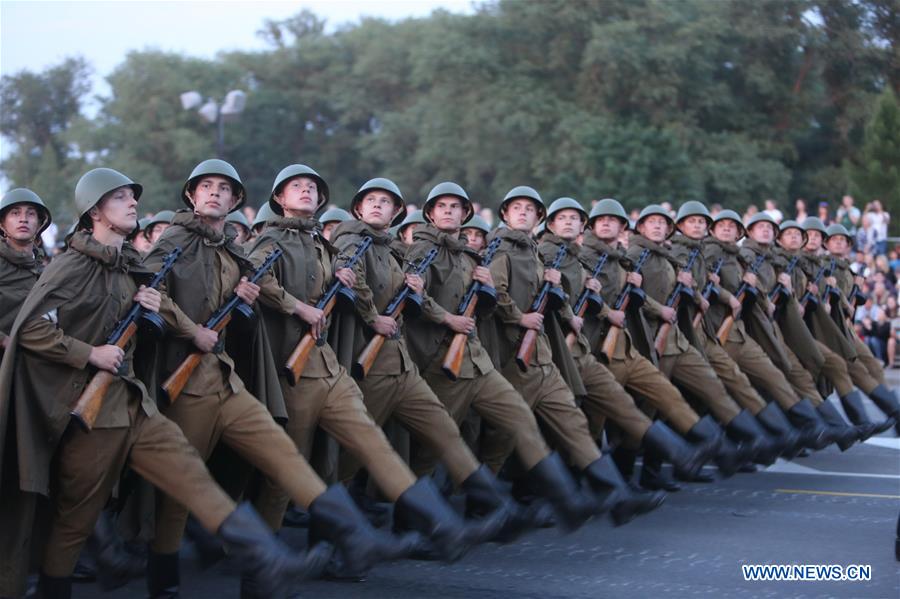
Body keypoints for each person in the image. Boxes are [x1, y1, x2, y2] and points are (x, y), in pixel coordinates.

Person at [0, 168, 331, 599]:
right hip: (89, 413)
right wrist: (90, 353)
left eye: (131, 197)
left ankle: (266, 557)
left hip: (133, 401)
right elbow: (32, 330)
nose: (133, 203)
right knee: (74, 520)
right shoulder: (68, 266)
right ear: (95, 211)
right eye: (120, 198)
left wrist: (152, 308)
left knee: (190, 472)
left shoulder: (130, 266)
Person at [143, 159, 416, 594]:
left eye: (224, 189)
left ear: (236, 201)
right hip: (188, 374)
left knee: (283, 461)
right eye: (206, 187)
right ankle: (165, 582)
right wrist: (194, 327)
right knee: (186, 482)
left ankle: (302, 556)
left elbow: (253, 286)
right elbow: (148, 289)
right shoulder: (177, 241)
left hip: (236, 373)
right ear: (192, 196)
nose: (215, 193)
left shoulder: (236, 249)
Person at [244, 164, 504, 567]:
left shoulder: (323, 245)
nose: (307, 192)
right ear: (278, 197)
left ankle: (430, 527)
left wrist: (396, 286)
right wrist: (317, 308)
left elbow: (350, 287)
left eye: (313, 187)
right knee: (291, 468)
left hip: (337, 363)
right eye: (297, 187)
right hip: (294, 367)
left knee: (381, 442)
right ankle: (262, 565)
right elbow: (258, 278)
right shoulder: (278, 238)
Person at [331, 177, 533, 542]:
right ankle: (334, 537)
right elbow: (354, 283)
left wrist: (424, 292)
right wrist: (377, 314)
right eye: (370, 200)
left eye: (386, 201)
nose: (377, 206)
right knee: (356, 453)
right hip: (370, 361)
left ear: (396, 213)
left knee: (443, 432)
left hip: (402, 362)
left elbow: (413, 298)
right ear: (358, 209)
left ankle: (474, 515)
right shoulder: (356, 243)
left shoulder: (393, 249)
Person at [403, 181, 598, 530]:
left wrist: (487, 289)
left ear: (466, 214)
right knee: (436, 444)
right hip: (438, 361)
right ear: (430, 214)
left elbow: (484, 306)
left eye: (455, 207)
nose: (448, 212)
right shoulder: (421, 251)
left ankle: (547, 501)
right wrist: (449, 318)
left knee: (518, 419)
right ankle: (415, 520)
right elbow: (411, 299)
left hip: (475, 359)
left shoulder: (469, 256)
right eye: (442, 207)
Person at [478, 186, 665, 525]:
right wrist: (518, 316)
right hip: (511, 357)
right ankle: (486, 506)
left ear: (538, 219)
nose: (522, 213)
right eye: (516, 208)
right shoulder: (502, 251)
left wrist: (558, 293)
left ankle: (612, 496)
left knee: (573, 422)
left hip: (542, 356)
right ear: (504, 214)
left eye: (529, 209)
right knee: (504, 436)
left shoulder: (533, 252)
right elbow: (495, 292)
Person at [539, 197, 712, 490]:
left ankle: (634, 474)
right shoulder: (564, 255)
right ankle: (579, 485)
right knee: (587, 419)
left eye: (614, 220)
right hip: (586, 345)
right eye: (562, 217)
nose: (607, 223)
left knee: (637, 405)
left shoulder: (606, 257)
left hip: (618, 345)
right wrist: (607, 308)